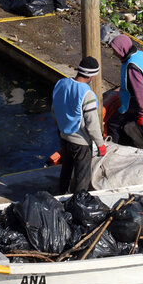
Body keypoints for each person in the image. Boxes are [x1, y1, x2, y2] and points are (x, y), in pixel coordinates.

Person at [52, 56, 106, 193]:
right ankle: (78, 203)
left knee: (66, 169)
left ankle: (61, 195)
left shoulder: (61, 84)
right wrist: (100, 144)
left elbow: (54, 109)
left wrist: (60, 129)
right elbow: (92, 124)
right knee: (82, 176)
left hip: (64, 137)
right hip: (80, 143)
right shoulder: (87, 94)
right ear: (92, 76)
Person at [107, 34, 143, 155]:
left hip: (142, 105)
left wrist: (141, 114)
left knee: (114, 124)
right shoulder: (139, 55)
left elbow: (141, 93)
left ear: (122, 49)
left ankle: (114, 152)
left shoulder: (132, 67)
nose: (114, 53)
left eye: (115, 50)